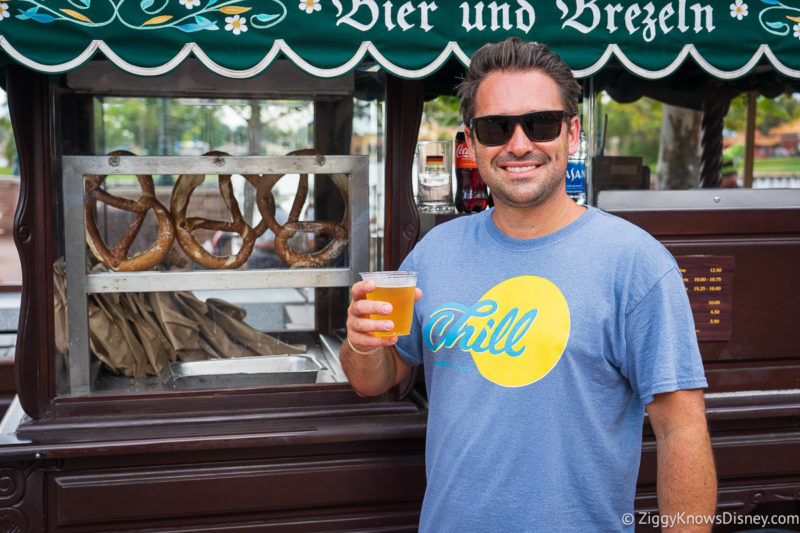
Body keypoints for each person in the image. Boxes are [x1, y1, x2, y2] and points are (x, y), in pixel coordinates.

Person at [340, 38, 716, 532]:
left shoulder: (635, 262)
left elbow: (681, 429)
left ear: (572, 132)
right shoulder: (435, 253)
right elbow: (375, 379)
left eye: (540, 123)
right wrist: (362, 344)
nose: (519, 144)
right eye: (496, 127)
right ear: (472, 143)